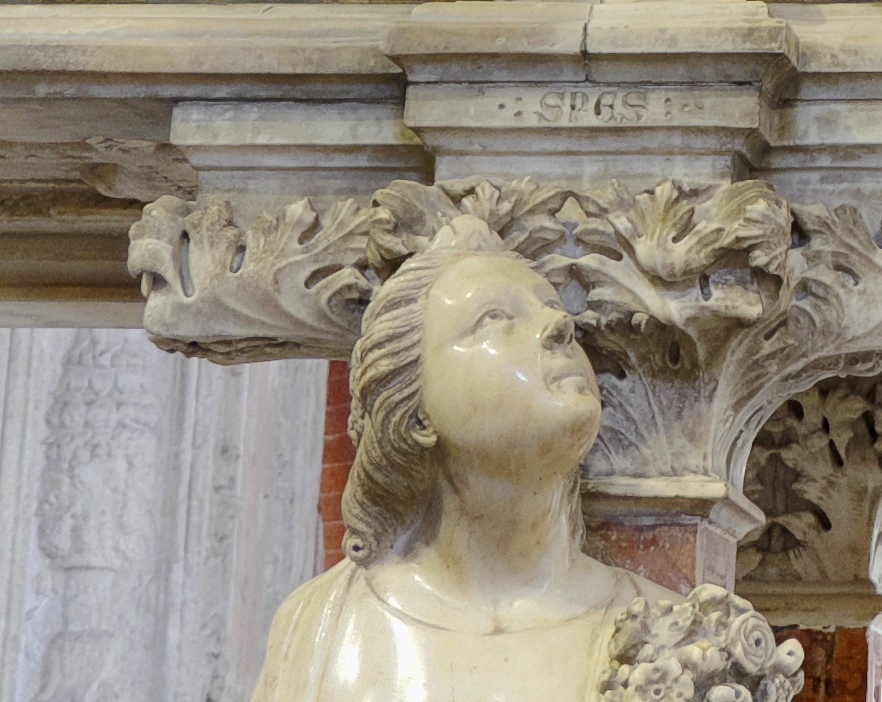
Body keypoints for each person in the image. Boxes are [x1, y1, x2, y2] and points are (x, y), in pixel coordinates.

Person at [249, 218, 673, 702]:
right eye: (493, 318)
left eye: (553, 308)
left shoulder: (670, 634)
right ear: (413, 412)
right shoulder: (319, 629)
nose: (559, 325)